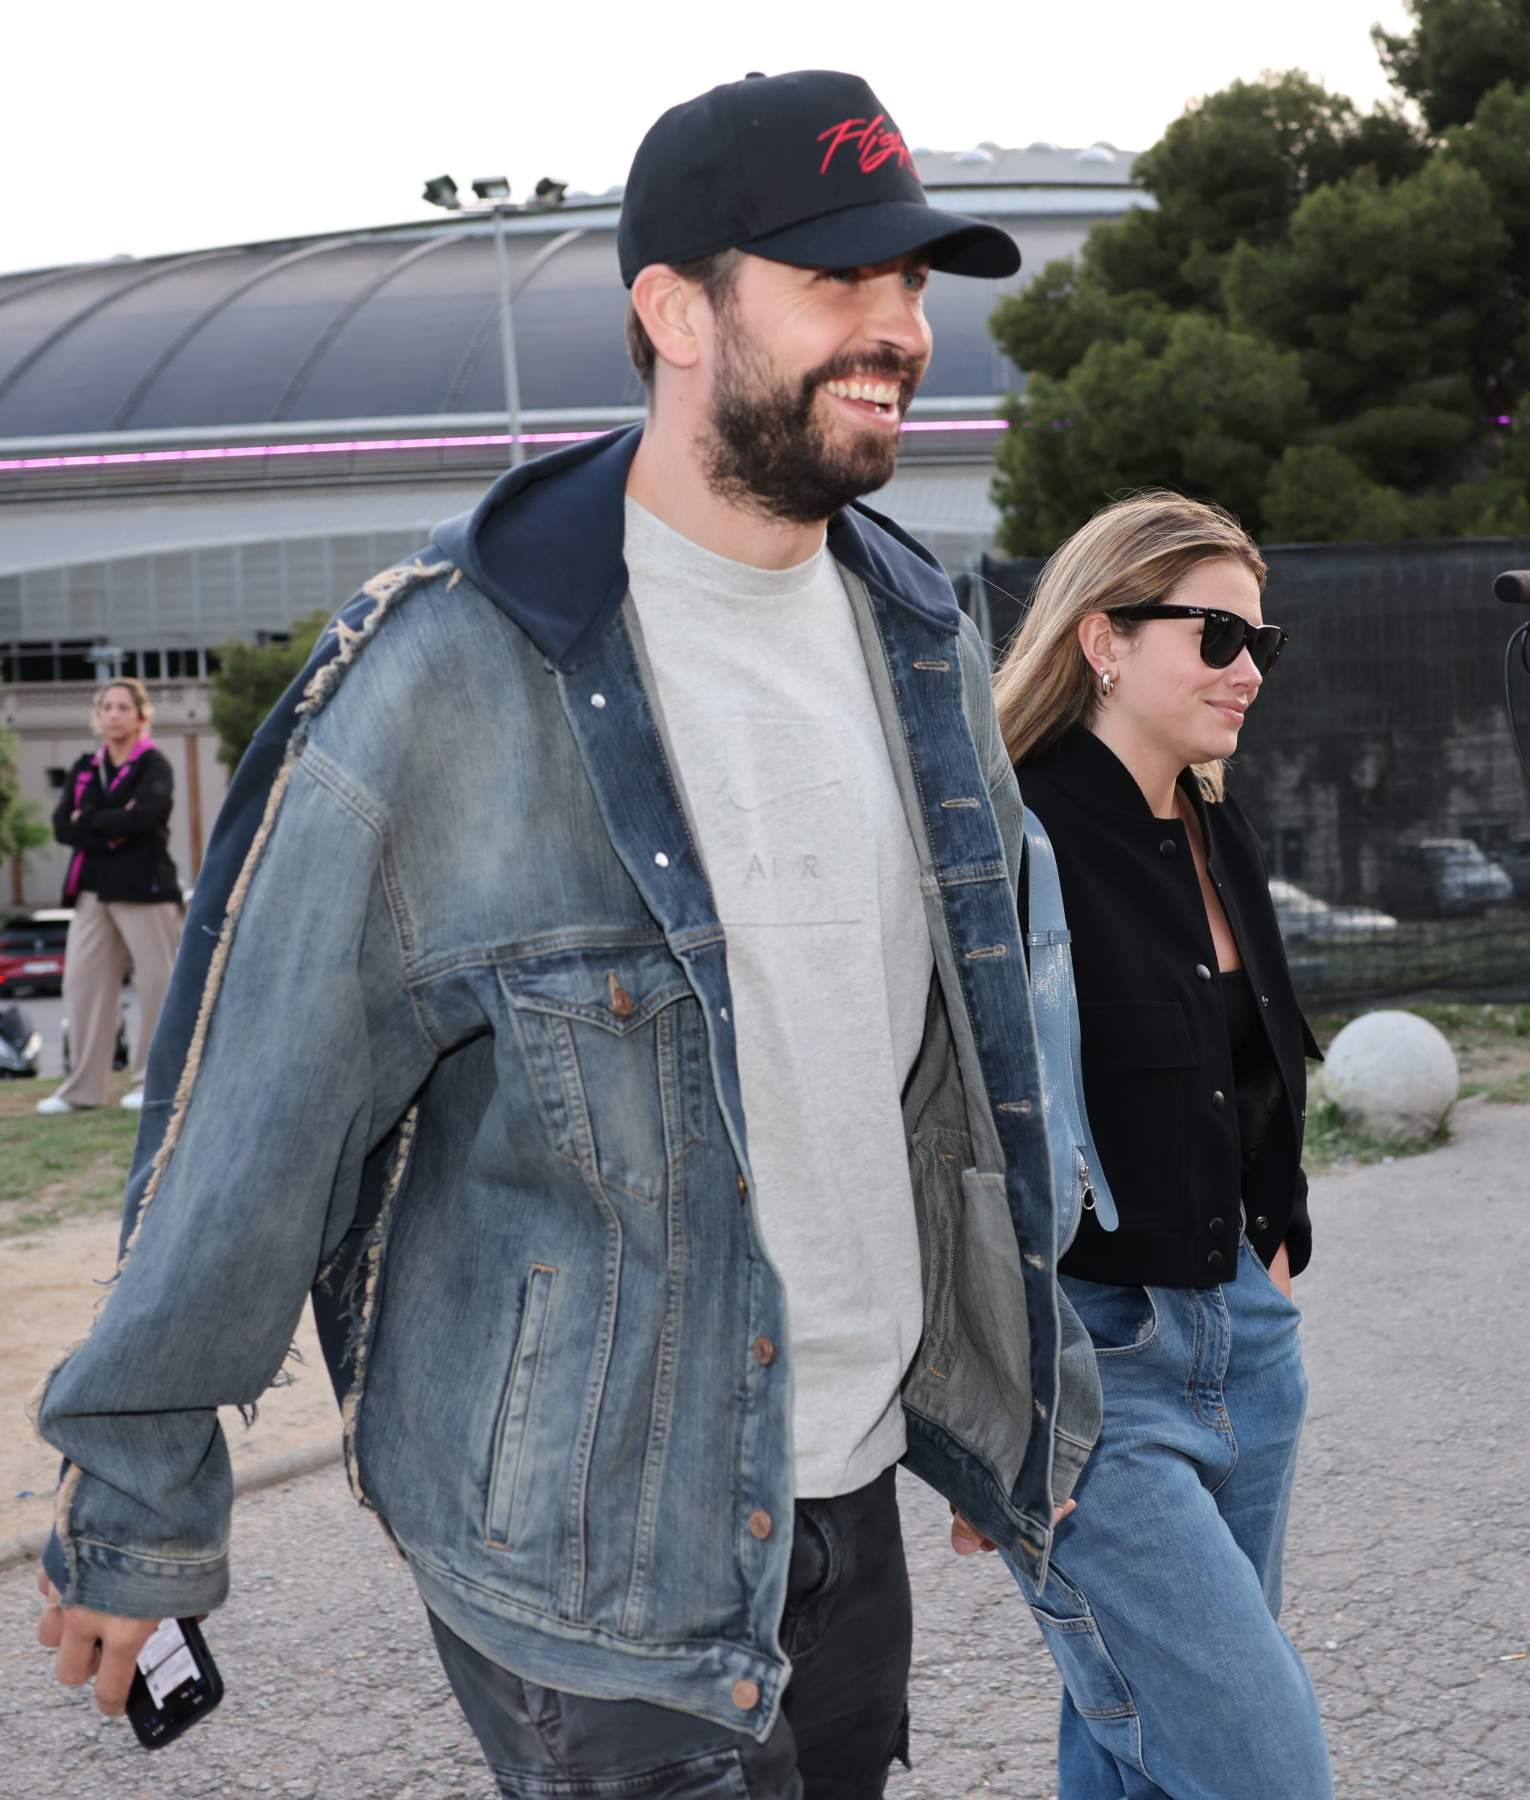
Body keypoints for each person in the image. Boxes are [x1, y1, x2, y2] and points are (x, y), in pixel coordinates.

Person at [32, 72, 1101, 1798]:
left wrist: (1005, 1377)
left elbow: (977, 1045)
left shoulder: (921, 635)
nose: (900, 327)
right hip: (592, 1566)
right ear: (671, 310)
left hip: (850, 1503)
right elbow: (256, 1109)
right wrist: (140, 1498)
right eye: (840, 279)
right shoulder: (455, 671)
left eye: (912, 283)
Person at [958, 491, 1333, 1798]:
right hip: (1092, 1375)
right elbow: (944, 1128)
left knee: (1138, 1749)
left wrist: (1271, 1262)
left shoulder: (1217, 832)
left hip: (1248, 1348)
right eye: (1216, 638)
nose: (1247, 672)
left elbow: (1256, 1084)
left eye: (1261, 646)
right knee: (1254, 1759)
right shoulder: (1011, 842)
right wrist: (983, 1402)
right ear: (1101, 638)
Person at [40, 676, 182, 1116]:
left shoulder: (153, 765)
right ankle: (81, 1090)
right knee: (82, 985)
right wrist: (108, 823)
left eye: (123, 707)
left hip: (146, 891)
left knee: (158, 987)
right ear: (98, 716)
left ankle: (151, 1082)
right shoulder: (85, 767)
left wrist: (92, 821)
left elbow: (143, 819)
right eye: (108, 707)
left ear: (141, 716)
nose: (115, 714)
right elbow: (64, 826)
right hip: (92, 891)